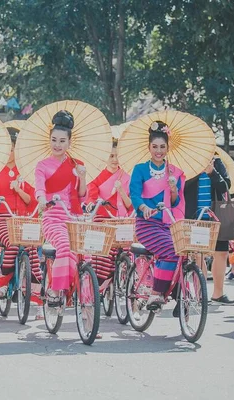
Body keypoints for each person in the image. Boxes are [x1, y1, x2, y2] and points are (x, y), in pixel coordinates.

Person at [0, 127, 43, 319]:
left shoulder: (26, 171)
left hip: (24, 219)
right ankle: (3, 283)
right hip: (2, 218)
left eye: (12, 149)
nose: (9, 153)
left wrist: (18, 190)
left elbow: (32, 201)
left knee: (33, 251)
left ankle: (37, 299)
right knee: (11, 242)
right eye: (6, 149)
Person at [129, 121, 185, 310]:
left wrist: (173, 190)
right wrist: (143, 207)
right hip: (147, 224)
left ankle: (178, 295)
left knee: (183, 251)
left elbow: (176, 202)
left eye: (162, 147)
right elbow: (135, 194)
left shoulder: (173, 172)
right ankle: (155, 293)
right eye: (155, 147)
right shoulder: (140, 169)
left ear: (168, 148)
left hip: (167, 224)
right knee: (171, 250)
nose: (158, 151)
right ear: (149, 147)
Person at [34, 110, 87, 306]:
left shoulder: (77, 164)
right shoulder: (42, 165)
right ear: (49, 140)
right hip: (53, 217)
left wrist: (82, 176)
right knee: (65, 247)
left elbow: (82, 195)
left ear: (69, 143)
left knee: (87, 255)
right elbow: (39, 187)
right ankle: (55, 289)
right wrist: (41, 198)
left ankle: (89, 311)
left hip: (75, 217)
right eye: (54, 140)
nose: (58, 145)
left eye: (62, 141)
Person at [184, 153, 234, 306]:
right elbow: (182, 187)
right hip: (195, 216)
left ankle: (218, 293)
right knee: (198, 254)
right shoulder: (188, 161)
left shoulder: (217, 162)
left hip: (217, 215)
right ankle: (201, 294)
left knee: (221, 253)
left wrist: (212, 172)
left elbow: (226, 188)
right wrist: (197, 170)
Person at [87, 140, 133, 284]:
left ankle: (126, 281)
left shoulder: (127, 176)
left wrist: (120, 190)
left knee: (128, 248)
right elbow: (91, 197)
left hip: (121, 219)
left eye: (117, 156)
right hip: (102, 218)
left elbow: (130, 205)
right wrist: (90, 203)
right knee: (102, 250)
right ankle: (100, 282)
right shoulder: (97, 175)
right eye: (111, 156)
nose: (115, 160)